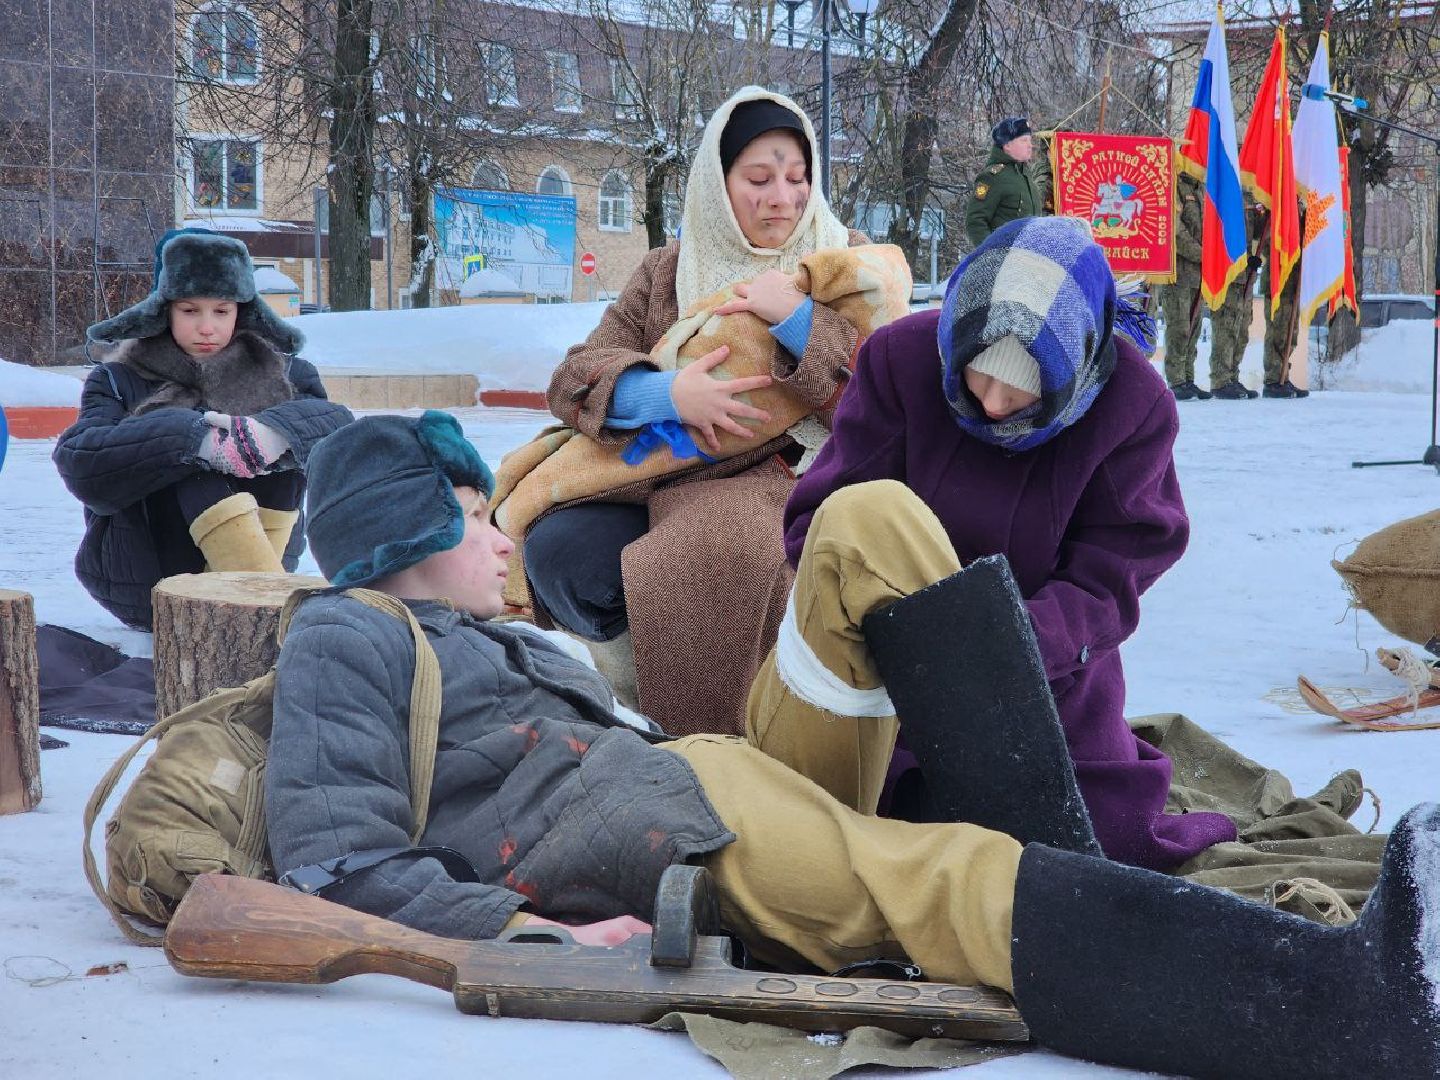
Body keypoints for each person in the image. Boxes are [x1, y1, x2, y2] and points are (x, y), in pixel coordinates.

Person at [264, 409, 1437, 1080]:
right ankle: (1343, 1005)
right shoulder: (348, 641)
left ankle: (1056, 852)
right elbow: (339, 869)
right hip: (671, 836)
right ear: (406, 539)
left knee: (865, 520)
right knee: (944, 880)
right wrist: (530, 934)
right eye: (476, 519)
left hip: (703, 774)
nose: (501, 536)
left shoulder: (469, 627)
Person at [783, 216, 1238, 872]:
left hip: (1040, 668)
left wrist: (1008, 641)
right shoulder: (901, 359)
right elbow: (823, 518)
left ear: (1073, 364)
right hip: (884, 662)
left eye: (1021, 387)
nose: (993, 403)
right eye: (977, 375)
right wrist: (882, 628)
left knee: (1087, 849)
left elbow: (1115, 569)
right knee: (849, 840)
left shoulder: (1133, 406)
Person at [523, 86, 871, 737]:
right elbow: (574, 375)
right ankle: (635, 706)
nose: (782, 198)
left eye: (798, 178)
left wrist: (795, 318)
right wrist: (666, 394)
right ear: (718, 181)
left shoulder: (847, 262)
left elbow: (880, 387)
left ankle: (720, 740)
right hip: (663, 469)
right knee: (557, 552)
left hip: (795, 477)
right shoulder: (667, 271)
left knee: (722, 550)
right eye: (759, 179)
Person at [53, 229, 352, 630]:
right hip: (149, 577)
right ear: (164, 310)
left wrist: (271, 434)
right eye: (190, 311)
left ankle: (254, 592)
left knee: (284, 458)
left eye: (222, 311)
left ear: (241, 311)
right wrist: (195, 440)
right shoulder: (117, 378)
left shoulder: (288, 373)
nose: (207, 327)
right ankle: (264, 611)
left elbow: (338, 429)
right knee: (192, 470)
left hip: (269, 559)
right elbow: (80, 460)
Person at [1160, 173, 1211, 400]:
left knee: (1194, 327)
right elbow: (1175, 230)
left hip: (1199, 275)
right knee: (1179, 327)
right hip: (1178, 273)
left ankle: (1188, 377)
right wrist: (1204, 254)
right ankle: (1176, 380)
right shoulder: (1174, 187)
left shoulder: (1203, 189)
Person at [963, 117, 1041, 250]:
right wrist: (992, 255)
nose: (1030, 145)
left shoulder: (1026, 175)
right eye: (1023, 140)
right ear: (1007, 145)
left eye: (1030, 140)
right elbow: (975, 221)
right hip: (1005, 263)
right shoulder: (992, 177)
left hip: (1029, 261)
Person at [1261, 244, 1310, 398]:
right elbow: (1268, 243)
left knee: (1291, 333)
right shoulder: (1276, 218)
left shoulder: (1301, 220)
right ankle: (1273, 381)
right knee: (1278, 333)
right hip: (1278, 279)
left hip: (1293, 282)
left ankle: (1283, 376)